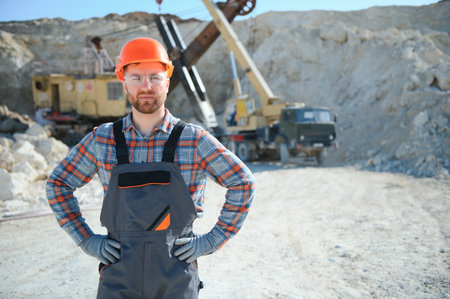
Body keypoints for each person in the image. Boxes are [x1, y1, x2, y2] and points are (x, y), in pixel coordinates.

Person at [46, 37, 256, 299]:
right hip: (119, 277)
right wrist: (86, 239)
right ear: (123, 82)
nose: (146, 86)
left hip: (176, 277)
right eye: (136, 77)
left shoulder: (193, 140)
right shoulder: (102, 140)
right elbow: (57, 184)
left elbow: (243, 182)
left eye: (154, 77)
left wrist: (213, 240)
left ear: (167, 81)